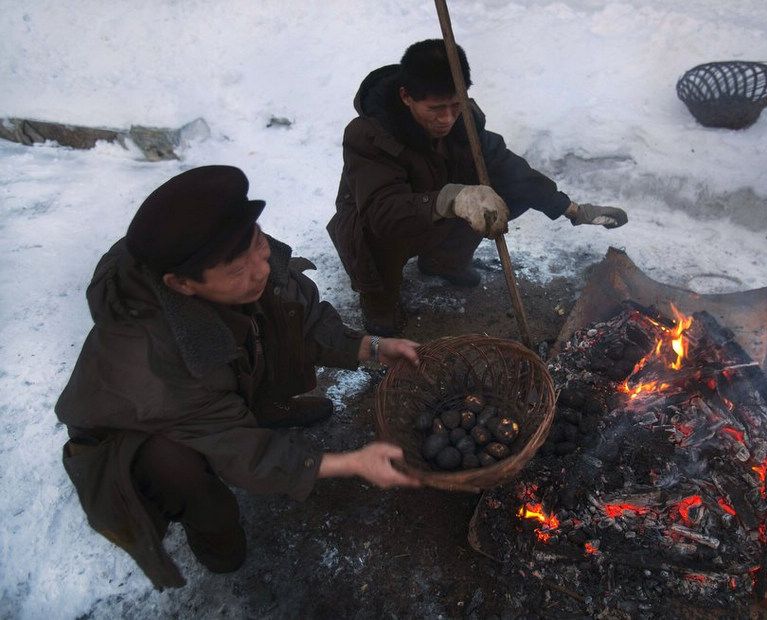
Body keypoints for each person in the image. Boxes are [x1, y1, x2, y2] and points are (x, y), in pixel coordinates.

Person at [55, 165, 421, 589]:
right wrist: (347, 462)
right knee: (179, 470)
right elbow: (239, 449)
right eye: (237, 270)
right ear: (182, 284)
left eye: (260, 244)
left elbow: (303, 317)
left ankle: (267, 409)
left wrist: (373, 347)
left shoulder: (244, 259)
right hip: (135, 435)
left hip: (209, 397)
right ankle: (214, 539)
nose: (260, 270)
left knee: (269, 328)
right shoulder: (153, 362)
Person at [327, 39, 628, 336]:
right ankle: (377, 294)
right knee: (383, 310)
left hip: (432, 215)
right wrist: (452, 198)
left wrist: (569, 208)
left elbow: (504, 164)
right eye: (435, 108)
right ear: (406, 96)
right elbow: (383, 212)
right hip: (376, 229)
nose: (447, 118)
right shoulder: (368, 135)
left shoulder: (463, 120)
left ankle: (443, 262)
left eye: (456, 104)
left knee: (504, 192)